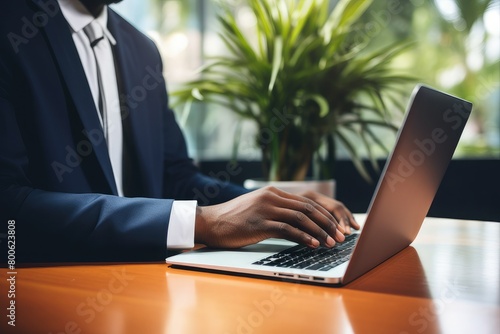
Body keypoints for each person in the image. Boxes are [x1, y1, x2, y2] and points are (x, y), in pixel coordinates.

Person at [0, 0, 359, 262]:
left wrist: (285, 208)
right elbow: (9, 206)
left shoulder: (141, 49)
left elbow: (174, 176)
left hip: (150, 284)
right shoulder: (10, 26)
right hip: (44, 287)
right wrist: (200, 222)